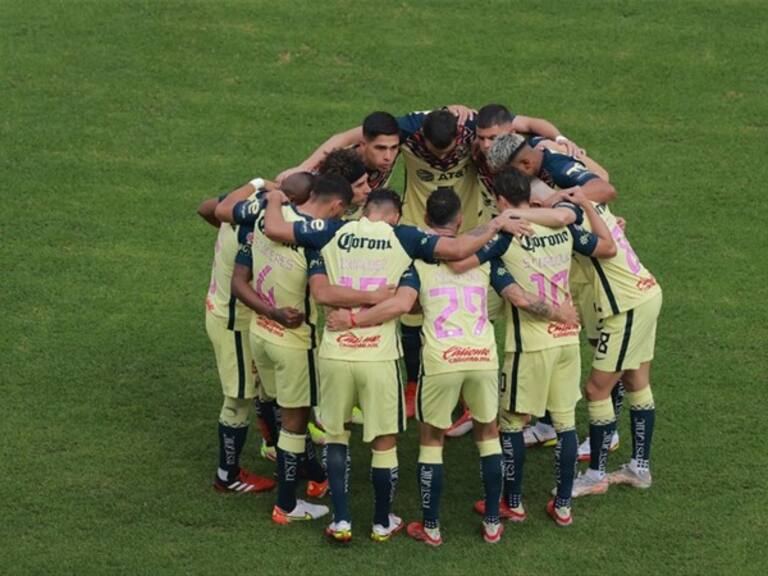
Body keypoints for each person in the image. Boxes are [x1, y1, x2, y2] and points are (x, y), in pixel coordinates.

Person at [262, 187, 530, 542]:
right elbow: (457, 251)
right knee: (384, 443)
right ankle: (381, 521)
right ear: (395, 216)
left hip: (336, 351)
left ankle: (341, 520)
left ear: (365, 211)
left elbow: (276, 230)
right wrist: (495, 224)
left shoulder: (332, 230)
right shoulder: (402, 238)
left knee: (338, 436)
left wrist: (277, 199)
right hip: (381, 356)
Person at [454, 168, 616, 526]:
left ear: (499, 199)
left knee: (510, 423)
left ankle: (513, 502)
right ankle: (562, 505)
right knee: (566, 423)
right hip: (567, 341)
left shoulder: (506, 235)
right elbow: (607, 247)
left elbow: (458, 258)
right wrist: (588, 207)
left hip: (529, 346)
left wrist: (494, 226)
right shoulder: (562, 228)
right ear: (530, 197)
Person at [230, 174, 384, 524]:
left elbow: (238, 282)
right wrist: (376, 297)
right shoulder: (320, 237)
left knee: (284, 413)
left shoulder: (263, 219)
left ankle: (309, 477)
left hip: (261, 333)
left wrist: (269, 312)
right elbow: (323, 293)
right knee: (295, 423)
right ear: (336, 206)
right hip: (295, 342)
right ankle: (286, 505)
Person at [198, 174, 312, 495]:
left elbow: (206, 208)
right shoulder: (262, 223)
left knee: (263, 385)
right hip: (234, 320)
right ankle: (228, 475)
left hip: (230, 312)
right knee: (238, 398)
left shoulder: (242, 204)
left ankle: (274, 445)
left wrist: (256, 184)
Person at [557, 190, 663, 497]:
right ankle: (639, 468)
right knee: (635, 380)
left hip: (627, 307)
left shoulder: (571, 224)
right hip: (645, 293)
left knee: (595, 389)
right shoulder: (597, 209)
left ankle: (596, 475)